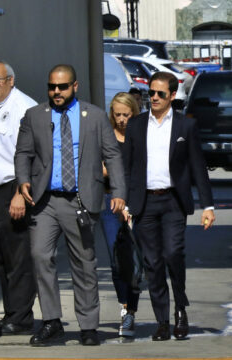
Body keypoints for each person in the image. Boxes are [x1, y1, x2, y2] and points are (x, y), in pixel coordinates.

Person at [14, 64, 126, 346]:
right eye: (52, 86)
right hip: (45, 201)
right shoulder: (35, 115)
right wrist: (23, 181)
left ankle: (88, 326)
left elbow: (112, 155)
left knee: (84, 263)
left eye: (62, 87)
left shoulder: (95, 116)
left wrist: (119, 192)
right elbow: (23, 153)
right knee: (40, 256)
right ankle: (52, 321)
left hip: (80, 199)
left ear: (75, 86)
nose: (56, 92)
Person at [122, 71, 215, 341]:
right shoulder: (136, 125)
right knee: (152, 263)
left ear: (172, 96)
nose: (154, 98)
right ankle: (162, 321)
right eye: (150, 93)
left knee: (173, 254)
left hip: (174, 200)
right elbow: (127, 166)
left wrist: (208, 206)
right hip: (145, 202)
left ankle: (180, 309)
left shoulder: (186, 126)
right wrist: (125, 201)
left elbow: (198, 167)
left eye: (160, 94)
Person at [0, 61, 37, 336]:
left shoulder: (22, 108)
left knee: (18, 259)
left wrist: (19, 194)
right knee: (2, 258)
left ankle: (22, 318)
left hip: (11, 192)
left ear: (11, 80)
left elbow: (31, 156)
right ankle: (12, 314)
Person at [100, 92, 140, 337]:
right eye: (118, 115)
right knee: (116, 261)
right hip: (110, 203)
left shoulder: (140, 137)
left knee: (133, 262)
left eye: (126, 114)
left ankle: (130, 311)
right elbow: (98, 168)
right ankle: (124, 305)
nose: (122, 119)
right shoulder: (105, 137)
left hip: (135, 202)